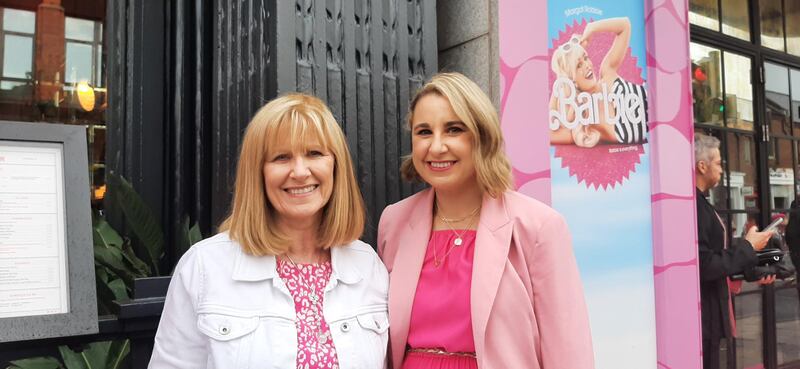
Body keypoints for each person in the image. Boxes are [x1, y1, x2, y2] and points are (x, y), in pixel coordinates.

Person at [149, 94, 389, 369]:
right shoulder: (205, 267)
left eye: (314, 153)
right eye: (281, 157)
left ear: (335, 165)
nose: (300, 171)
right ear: (258, 173)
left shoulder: (367, 264)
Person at [378, 72, 594, 369]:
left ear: (482, 136)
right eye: (424, 132)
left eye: (453, 130)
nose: (437, 146)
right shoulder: (394, 222)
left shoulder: (539, 227)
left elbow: (568, 353)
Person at [694, 134, 774, 369]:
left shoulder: (701, 203)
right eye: (718, 163)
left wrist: (752, 272)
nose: (721, 169)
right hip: (706, 319)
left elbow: (716, 259)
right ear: (702, 166)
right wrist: (748, 246)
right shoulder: (694, 206)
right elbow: (705, 264)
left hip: (712, 314)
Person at [549, 17, 648, 147]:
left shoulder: (607, 73)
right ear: (572, 81)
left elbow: (625, 26)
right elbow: (547, 131)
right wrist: (560, 84)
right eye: (578, 65)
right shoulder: (585, 121)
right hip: (664, 131)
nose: (587, 65)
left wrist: (592, 28)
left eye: (585, 58)